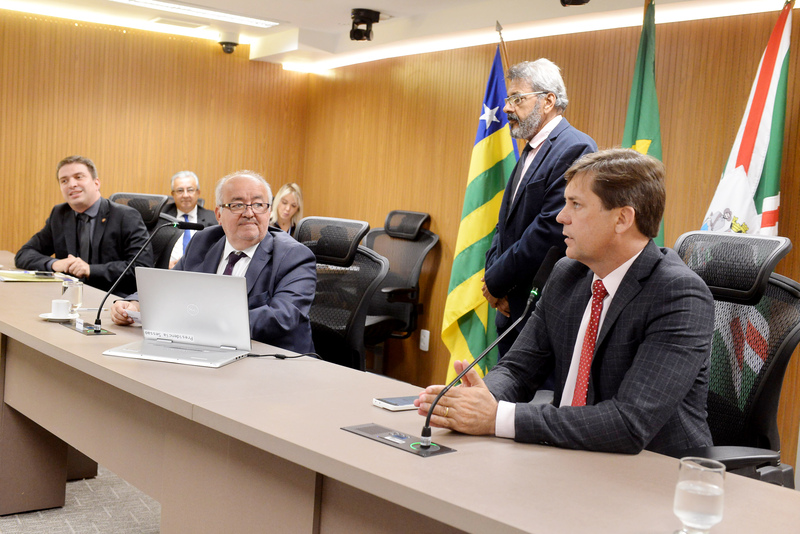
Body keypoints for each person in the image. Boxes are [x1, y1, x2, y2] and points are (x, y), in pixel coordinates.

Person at [417, 148, 715, 456]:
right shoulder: (566, 274)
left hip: (655, 470)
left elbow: (628, 423)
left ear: (622, 219)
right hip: (569, 453)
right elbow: (518, 369)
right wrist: (480, 399)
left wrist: (497, 418)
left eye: (576, 204)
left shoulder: (678, 295)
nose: (561, 216)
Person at [111, 170, 317, 353]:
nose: (249, 213)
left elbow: (283, 317)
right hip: (210, 350)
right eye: (237, 205)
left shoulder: (294, 256)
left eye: (258, 204)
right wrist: (136, 304)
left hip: (274, 361)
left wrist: (203, 322)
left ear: (268, 211)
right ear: (219, 214)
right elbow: (169, 285)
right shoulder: (204, 241)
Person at [483, 59, 597, 358]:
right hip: (510, 305)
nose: (507, 108)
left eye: (517, 99)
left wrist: (497, 282)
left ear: (548, 101)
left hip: (540, 307)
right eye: (508, 99)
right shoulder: (530, 148)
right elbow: (505, 223)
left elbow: (549, 230)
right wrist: (493, 277)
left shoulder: (575, 147)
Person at [15, 155, 152, 297]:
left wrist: (90, 270)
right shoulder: (60, 214)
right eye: (64, 181)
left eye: (78, 177)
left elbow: (141, 268)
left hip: (110, 298)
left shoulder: (125, 216)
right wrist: (54, 264)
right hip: (69, 297)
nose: (71, 184)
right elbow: (24, 254)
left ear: (96, 183)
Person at [163, 170, 217, 268]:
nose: (185, 195)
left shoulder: (213, 218)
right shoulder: (162, 217)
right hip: (168, 270)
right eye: (180, 190)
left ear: (198, 192)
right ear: (173, 194)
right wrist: (164, 265)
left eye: (190, 190)